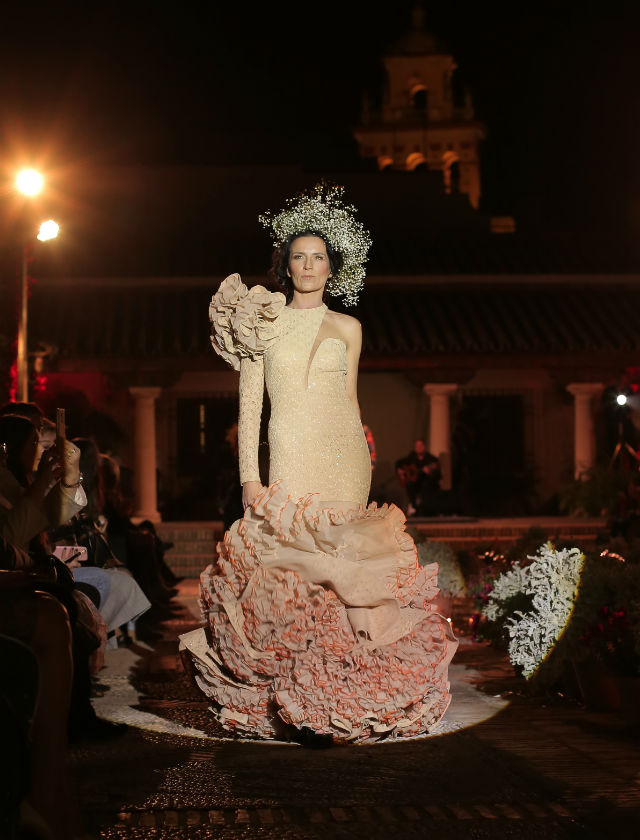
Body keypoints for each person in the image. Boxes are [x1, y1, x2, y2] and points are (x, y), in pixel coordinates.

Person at [180, 184, 457, 742]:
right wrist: (249, 478)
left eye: (319, 257)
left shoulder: (350, 328)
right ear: (286, 265)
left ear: (333, 267)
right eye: (299, 256)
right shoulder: (262, 321)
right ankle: (289, 689)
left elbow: (351, 402)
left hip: (344, 455)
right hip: (288, 451)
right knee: (292, 565)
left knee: (348, 564)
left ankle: (348, 689)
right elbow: (250, 405)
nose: (308, 265)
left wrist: (363, 457)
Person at [396, 439, 442, 515]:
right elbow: (399, 463)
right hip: (414, 483)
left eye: (420, 446)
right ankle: (413, 505)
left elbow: (437, 473)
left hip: (426, 484)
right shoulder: (411, 457)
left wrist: (429, 472)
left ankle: (425, 510)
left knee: (426, 486)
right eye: (417, 446)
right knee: (409, 485)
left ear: (424, 447)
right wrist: (400, 471)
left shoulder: (431, 459)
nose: (418, 448)